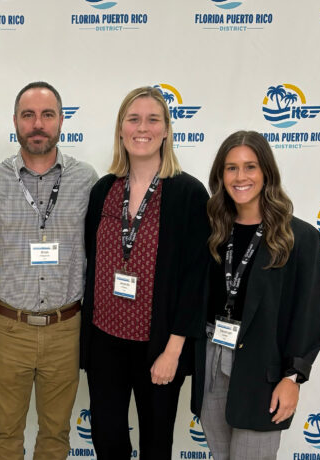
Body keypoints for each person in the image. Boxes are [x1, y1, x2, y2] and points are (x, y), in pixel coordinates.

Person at [79, 86, 210, 459]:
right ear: (121, 130)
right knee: (107, 440)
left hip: (158, 348)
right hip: (104, 341)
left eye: (153, 120)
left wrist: (173, 350)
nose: (143, 128)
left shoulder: (188, 194)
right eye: (133, 119)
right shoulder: (104, 190)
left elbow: (194, 281)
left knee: (156, 445)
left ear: (167, 130)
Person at [0, 81, 98, 460]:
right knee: (4, 433)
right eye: (28, 115)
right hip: (8, 328)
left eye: (47, 115)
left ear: (61, 121)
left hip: (65, 330)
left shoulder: (86, 179)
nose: (37, 124)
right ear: (15, 121)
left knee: (55, 435)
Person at [193, 130, 320, 460]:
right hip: (212, 358)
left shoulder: (300, 238)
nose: (240, 177)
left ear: (266, 172)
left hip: (263, 368)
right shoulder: (213, 231)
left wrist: (292, 378)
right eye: (231, 168)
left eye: (250, 167)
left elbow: (306, 317)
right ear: (220, 176)